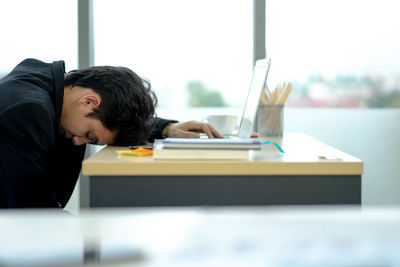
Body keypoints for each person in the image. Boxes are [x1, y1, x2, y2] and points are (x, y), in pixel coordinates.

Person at [0, 58, 222, 208]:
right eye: (90, 135)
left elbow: (112, 109)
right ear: (89, 101)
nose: (78, 142)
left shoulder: (47, 79)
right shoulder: (26, 112)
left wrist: (164, 128)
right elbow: (34, 216)